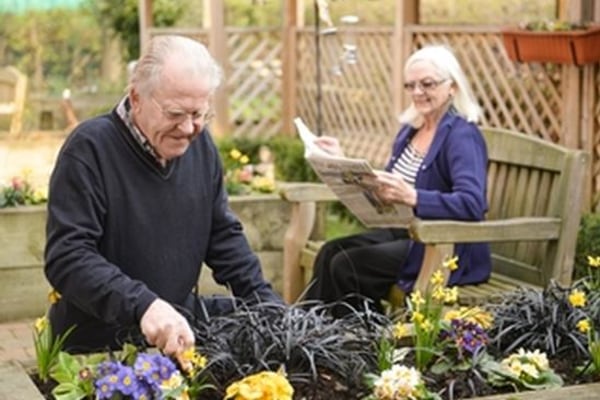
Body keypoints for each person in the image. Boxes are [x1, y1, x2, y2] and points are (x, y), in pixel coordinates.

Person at [44, 35, 281, 356]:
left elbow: (221, 234)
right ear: (136, 97)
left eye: (199, 114)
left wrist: (265, 303)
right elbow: (67, 258)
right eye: (175, 114)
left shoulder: (201, 146)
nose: (188, 128)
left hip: (178, 334)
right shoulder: (90, 148)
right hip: (97, 348)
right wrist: (143, 306)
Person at [304, 44, 491, 315]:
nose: (417, 93)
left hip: (441, 247)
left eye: (427, 84)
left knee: (347, 264)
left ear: (453, 87)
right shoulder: (411, 131)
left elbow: (472, 203)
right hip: (405, 233)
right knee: (331, 252)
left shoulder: (462, 135)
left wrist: (414, 197)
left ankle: (357, 343)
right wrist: (343, 163)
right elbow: (390, 184)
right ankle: (314, 335)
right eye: (411, 85)